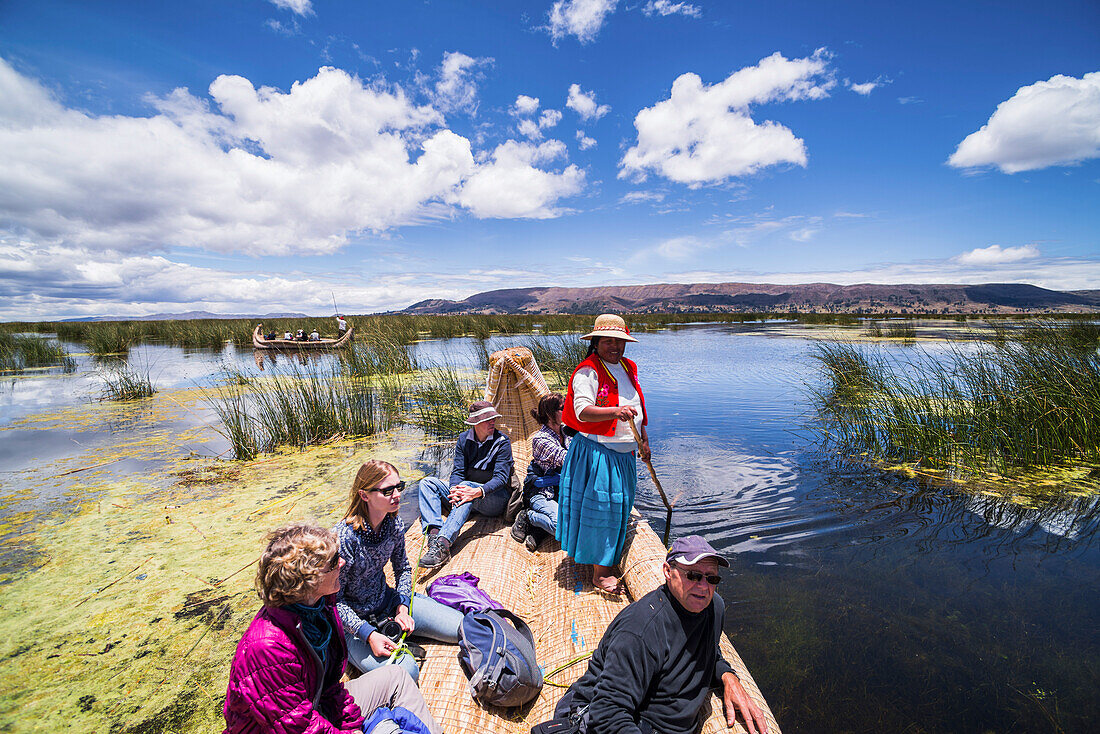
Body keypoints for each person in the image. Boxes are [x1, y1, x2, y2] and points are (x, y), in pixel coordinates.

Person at [222, 522, 444, 734]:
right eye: (334, 560)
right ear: (309, 579)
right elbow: (298, 726)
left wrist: (349, 721)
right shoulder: (267, 647)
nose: (343, 563)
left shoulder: (320, 607)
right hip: (288, 726)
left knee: (397, 676)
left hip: (317, 706)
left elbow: (329, 687)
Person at [552, 535, 769, 734]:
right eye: (693, 575)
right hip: (628, 721)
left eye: (711, 579)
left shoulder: (714, 608)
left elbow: (710, 650)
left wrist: (728, 676)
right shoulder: (641, 631)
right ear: (667, 571)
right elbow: (607, 714)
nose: (703, 587)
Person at [333, 461, 464, 683]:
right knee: (407, 672)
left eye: (399, 486)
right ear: (364, 495)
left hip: (389, 603)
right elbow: (334, 602)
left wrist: (402, 608)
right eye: (387, 490)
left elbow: (403, 568)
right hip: (354, 625)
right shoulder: (345, 539)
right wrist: (368, 634)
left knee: (460, 627)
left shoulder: (393, 525)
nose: (397, 495)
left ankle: (401, 630)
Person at [558, 313, 650, 593]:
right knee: (603, 510)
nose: (615, 346)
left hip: (625, 455)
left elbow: (637, 408)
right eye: (608, 340)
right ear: (596, 342)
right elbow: (582, 411)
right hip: (598, 454)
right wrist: (615, 411)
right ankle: (600, 573)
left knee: (619, 508)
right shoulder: (588, 371)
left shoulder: (626, 366)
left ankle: (601, 556)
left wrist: (644, 440)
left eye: (619, 341)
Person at [417, 401, 513, 569]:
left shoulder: (502, 442)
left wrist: (476, 491)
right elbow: (458, 471)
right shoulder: (464, 439)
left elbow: (501, 478)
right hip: (467, 493)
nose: (492, 422)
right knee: (427, 483)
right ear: (475, 423)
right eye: (487, 419)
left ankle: (443, 545)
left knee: (467, 485)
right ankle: (434, 534)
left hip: (494, 498)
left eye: (493, 419)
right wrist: (454, 489)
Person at [511, 392, 569, 552]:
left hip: (562, 491)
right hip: (542, 492)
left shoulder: (565, 432)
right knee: (563, 531)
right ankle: (529, 516)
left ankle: (539, 532)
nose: (567, 411)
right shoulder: (541, 439)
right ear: (550, 414)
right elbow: (567, 459)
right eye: (563, 408)